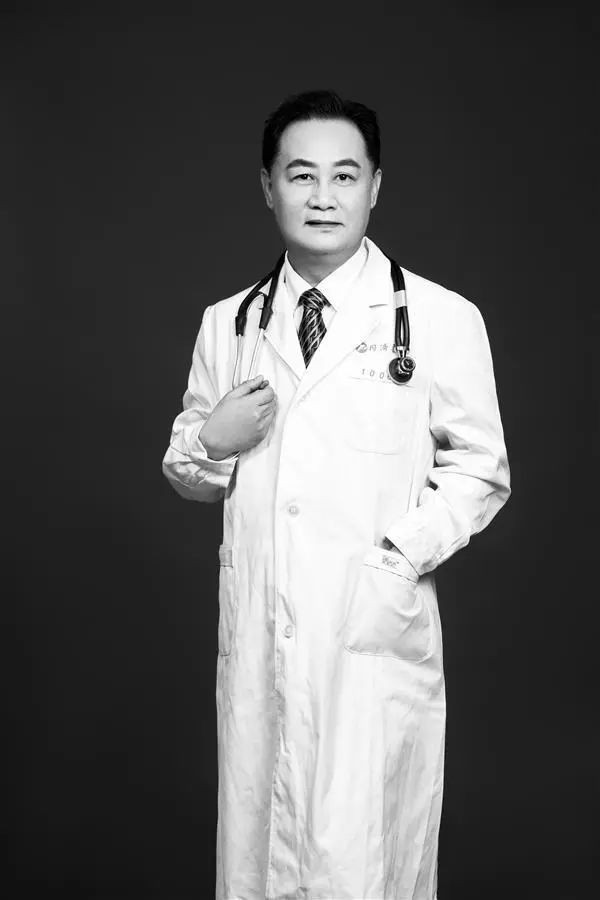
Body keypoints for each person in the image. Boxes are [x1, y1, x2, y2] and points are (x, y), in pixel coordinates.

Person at [162, 89, 511, 900]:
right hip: (263, 639)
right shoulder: (228, 324)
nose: (323, 196)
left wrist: (399, 557)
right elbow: (188, 470)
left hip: (368, 638)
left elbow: (482, 467)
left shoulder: (440, 318)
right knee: (260, 857)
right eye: (301, 175)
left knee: (365, 861)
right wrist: (212, 441)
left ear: (375, 187)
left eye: (344, 176)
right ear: (268, 186)